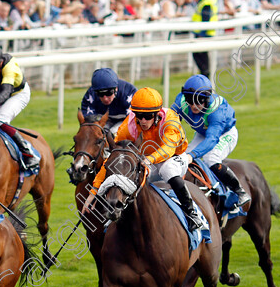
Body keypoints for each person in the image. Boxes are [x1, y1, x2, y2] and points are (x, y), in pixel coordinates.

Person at [85, 87, 206, 232]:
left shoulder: (170, 120)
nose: (143, 121)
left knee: (167, 169)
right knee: (129, 174)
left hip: (174, 157)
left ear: (157, 114)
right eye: (139, 115)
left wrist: (150, 159)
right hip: (147, 160)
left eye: (148, 116)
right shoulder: (128, 126)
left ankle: (191, 213)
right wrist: (94, 190)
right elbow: (113, 159)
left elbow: (169, 148)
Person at [171, 74, 251, 208]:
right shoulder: (180, 102)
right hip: (203, 133)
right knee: (180, 158)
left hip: (224, 134)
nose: (194, 105)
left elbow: (212, 139)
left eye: (199, 100)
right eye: (190, 100)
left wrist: (192, 155)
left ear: (207, 99)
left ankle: (239, 191)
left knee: (210, 158)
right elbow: (169, 124)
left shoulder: (216, 111)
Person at [79, 67, 138, 132]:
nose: (105, 98)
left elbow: (134, 122)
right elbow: (89, 123)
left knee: (114, 132)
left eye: (108, 93)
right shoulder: (91, 95)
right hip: (104, 120)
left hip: (124, 120)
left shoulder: (129, 92)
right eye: (100, 94)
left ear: (116, 88)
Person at [192, 0, 217, 76]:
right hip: (205, 31)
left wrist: (202, 33)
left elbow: (205, 18)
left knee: (199, 55)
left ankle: (205, 74)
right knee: (201, 55)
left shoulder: (207, 0)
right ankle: (205, 74)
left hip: (204, 32)